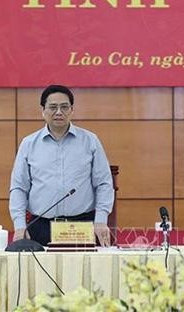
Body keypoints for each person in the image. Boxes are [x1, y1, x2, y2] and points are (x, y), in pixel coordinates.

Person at [9, 85, 114, 247]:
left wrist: (101, 220)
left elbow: (104, 183)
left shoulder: (90, 141)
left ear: (72, 110)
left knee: (82, 272)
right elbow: (18, 188)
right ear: (43, 111)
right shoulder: (29, 144)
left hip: (82, 226)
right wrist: (19, 225)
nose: (59, 112)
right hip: (40, 225)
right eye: (53, 107)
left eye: (64, 107)